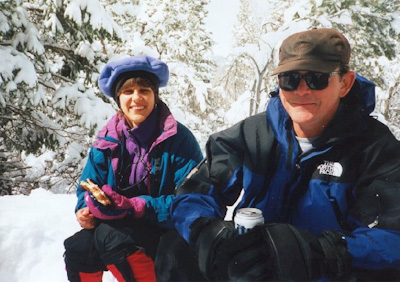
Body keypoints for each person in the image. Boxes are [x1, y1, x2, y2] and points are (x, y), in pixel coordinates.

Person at [159, 28, 400, 281]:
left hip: (322, 273)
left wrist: (322, 252)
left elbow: (392, 236)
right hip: (253, 269)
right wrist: (207, 233)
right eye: (290, 79)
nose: (302, 90)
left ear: (345, 83)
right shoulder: (253, 135)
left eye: (318, 78)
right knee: (175, 247)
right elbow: (196, 191)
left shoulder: (375, 150)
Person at [63, 55, 203, 282]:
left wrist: (137, 206)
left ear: (154, 96)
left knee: (110, 238)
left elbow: (192, 200)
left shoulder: (179, 139)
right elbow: (88, 186)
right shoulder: (107, 140)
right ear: (118, 99)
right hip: (120, 229)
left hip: (165, 228)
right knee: (78, 247)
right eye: (128, 92)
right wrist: (85, 209)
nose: (136, 98)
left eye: (144, 90)